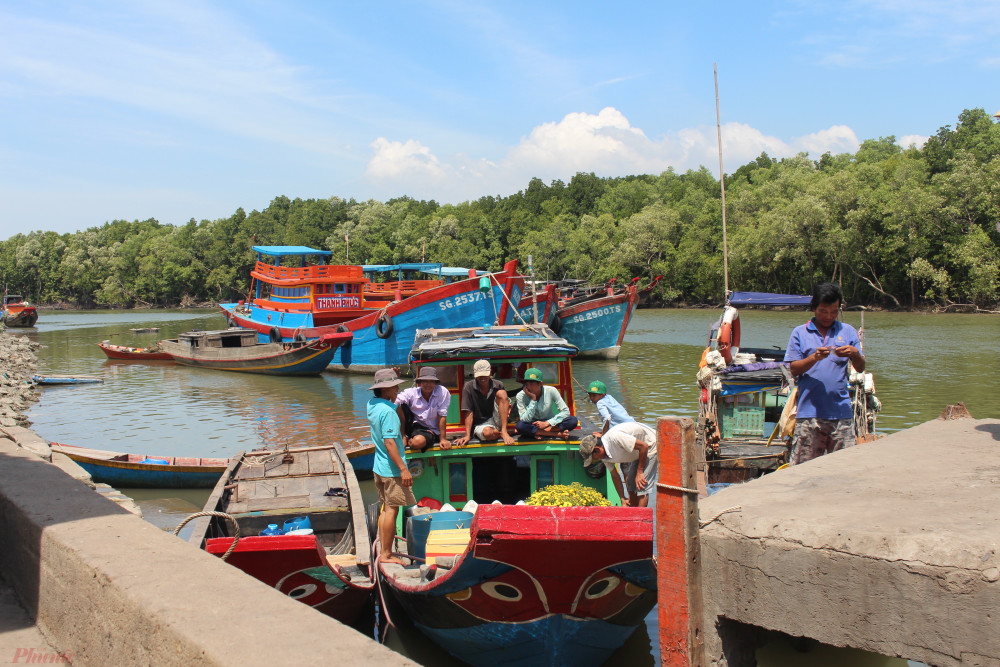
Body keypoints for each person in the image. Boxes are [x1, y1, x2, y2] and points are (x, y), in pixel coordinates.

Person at [784, 282, 866, 465]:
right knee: (802, 468)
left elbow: (860, 367)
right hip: (809, 414)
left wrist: (854, 354)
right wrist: (814, 358)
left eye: (834, 311)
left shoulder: (848, 331)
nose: (829, 316)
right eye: (823, 311)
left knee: (843, 467)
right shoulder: (800, 333)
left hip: (841, 413)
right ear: (814, 307)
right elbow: (794, 369)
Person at [366, 368, 415, 566]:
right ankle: (386, 554)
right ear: (385, 390)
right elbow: (390, 443)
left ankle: (384, 551)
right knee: (391, 510)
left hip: (378, 466)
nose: (397, 390)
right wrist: (403, 469)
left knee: (387, 509)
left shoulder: (372, 404)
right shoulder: (388, 411)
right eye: (394, 387)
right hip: (390, 469)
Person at [579, 421, 658, 507]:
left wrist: (640, 472)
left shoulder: (616, 438)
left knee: (641, 486)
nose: (596, 459)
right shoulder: (603, 456)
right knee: (631, 483)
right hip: (638, 452)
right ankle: (633, 513)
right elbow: (615, 476)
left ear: (597, 449)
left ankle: (640, 518)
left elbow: (644, 446)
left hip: (651, 445)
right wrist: (622, 498)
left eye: (593, 457)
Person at [454, 359, 515, 446]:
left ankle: (504, 431)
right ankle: (501, 433)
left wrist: (508, 408)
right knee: (488, 433)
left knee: (501, 393)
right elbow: (468, 412)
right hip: (481, 424)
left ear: (490, 373)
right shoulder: (468, 387)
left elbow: (505, 402)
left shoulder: (498, 384)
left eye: (485, 375)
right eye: (480, 375)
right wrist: (467, 435)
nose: (483, 378)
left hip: (497, 419)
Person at [395, 366, 451, 452]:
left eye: (431, 381)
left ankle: (410, 440)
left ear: (435, 383)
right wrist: (394, 381)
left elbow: (442, 415)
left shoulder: (442, 392)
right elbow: (394, 400)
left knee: (416, 443)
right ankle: (403, 437)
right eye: (425, 381)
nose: (428, 384)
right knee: (399, 405)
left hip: (430, 430)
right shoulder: (412, 392)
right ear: (420, 382)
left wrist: (443, 439)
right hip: (413, 426)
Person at [514, 367, 579, 439]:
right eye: (527, 384)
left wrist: (547, 423)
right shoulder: (520, 396)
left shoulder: (551, 390)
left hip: (549, 424)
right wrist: (533, 400)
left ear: (540, 384)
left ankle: (540, 432)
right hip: (532, 424)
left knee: (572, 420)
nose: (528, 387)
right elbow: (525, 420)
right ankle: (557, 434)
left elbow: (566, 411)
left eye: (531, 384)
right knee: (520, 426)